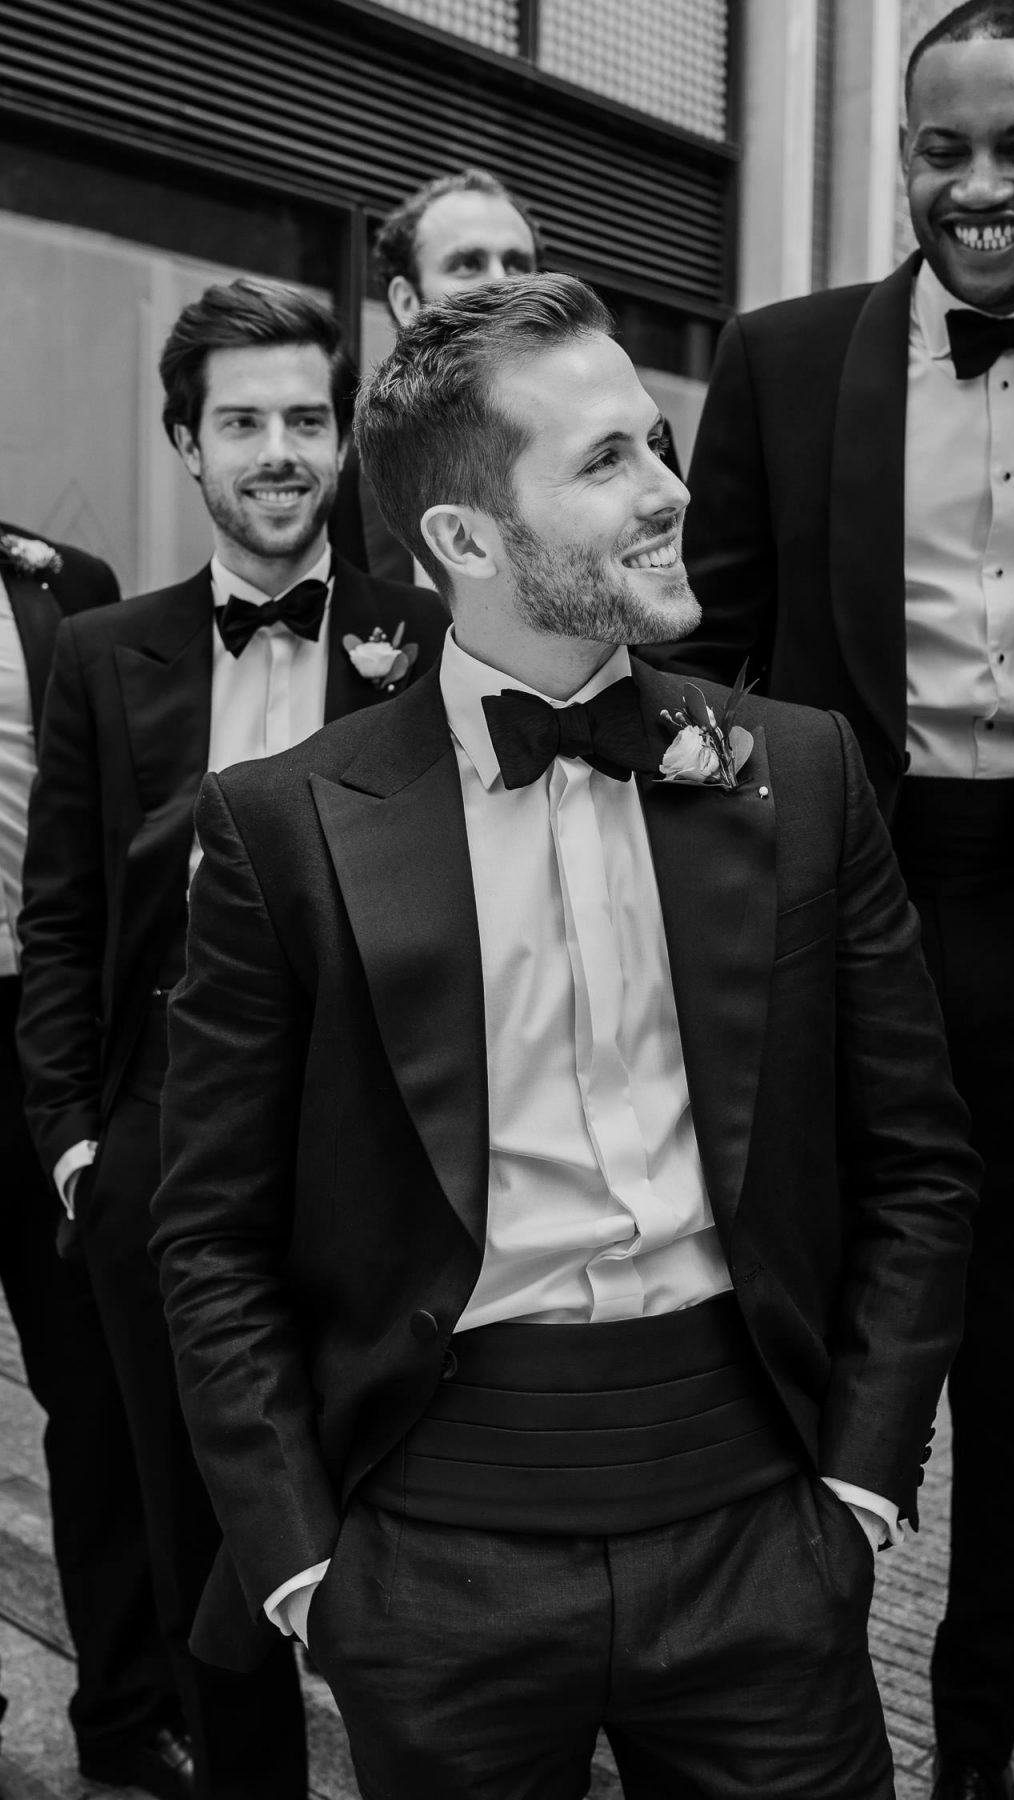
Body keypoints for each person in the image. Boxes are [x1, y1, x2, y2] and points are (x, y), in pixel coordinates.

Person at [150, 272, 979, 1800]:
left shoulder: (803, 775)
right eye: (607, 462)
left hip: (762, 1533)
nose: (672, 491)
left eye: (658, 445)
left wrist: (859, 1485)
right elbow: (209, 1232)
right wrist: (308, 1573)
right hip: (434, 1560)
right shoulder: (284, 827)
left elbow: (919, 1162)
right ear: (465, 539)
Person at [664, 4, 1014, 1795]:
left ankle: (977, 1755)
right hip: (831, 922)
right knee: (803, 1337)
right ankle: (799, 1723)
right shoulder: (783, 362)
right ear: (903, 155)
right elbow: (711, 666)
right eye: (942, 150)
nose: (979, 188)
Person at [16, 277, 446, 1800]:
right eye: (242, 422)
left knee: (397, 1519)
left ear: (343, 441)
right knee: (198, 1532)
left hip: (383, 1160)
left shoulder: (430, 634)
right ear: (187, 447)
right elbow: (60, 920)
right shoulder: (102, 655)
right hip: (163, 1158)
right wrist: (76, 1142)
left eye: (306, 419)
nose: (279, 450)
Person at [0, 524, 192, 1797]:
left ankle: (127, 1717)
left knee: (102, 1401)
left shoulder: (61, 586)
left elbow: (89, 857)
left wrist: (76, 1121)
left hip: (31, 1031)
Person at [329, 166, 679, 580]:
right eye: (467, 264)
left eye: (517, 263)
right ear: (407, 300)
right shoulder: (339, 468)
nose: (500, 282)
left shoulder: (637, 433)